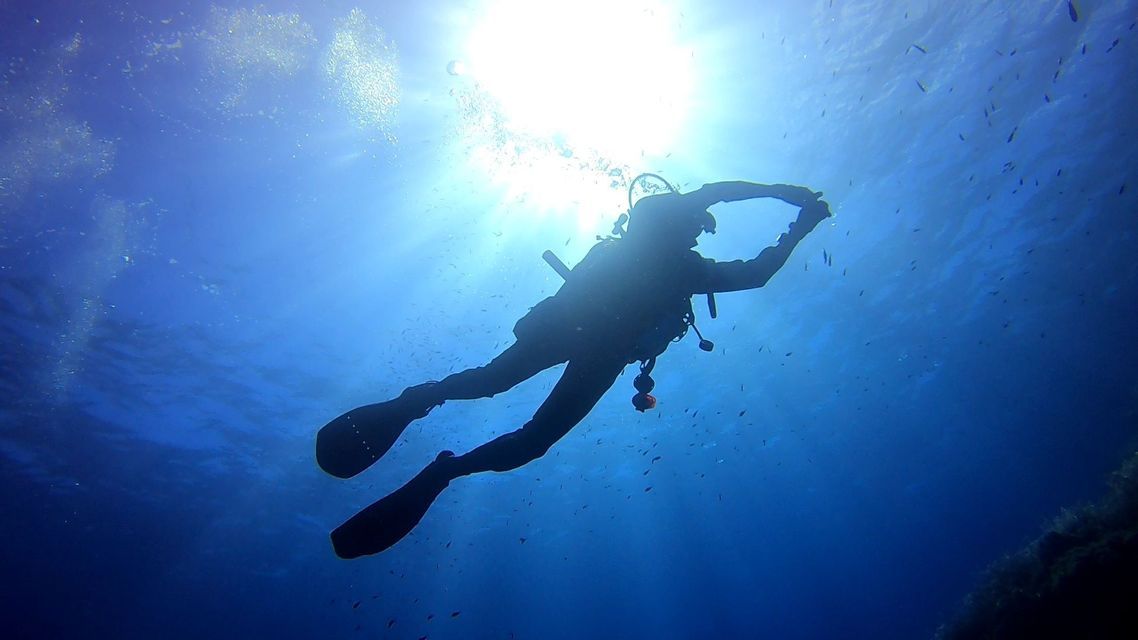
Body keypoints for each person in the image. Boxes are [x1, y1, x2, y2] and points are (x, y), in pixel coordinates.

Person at [318, 177, 832, 558]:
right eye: (697, 225)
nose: (698, 234)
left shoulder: (688, 270)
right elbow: (717, 193)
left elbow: (757, 274)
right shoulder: (654, 219)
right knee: (490, 383)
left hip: (597, 351)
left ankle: (446, 468)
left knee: (533, 437)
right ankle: (418, 401)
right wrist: (787, 199)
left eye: (700, 230)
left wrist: (798, 224)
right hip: (571, 325)